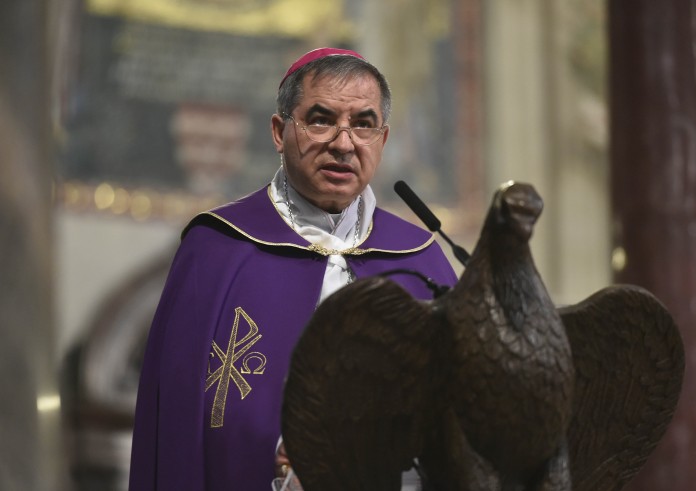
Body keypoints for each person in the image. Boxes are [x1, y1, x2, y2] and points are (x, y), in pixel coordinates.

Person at [128, 47, 458, 491]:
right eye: (321, 120)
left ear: (382, 140)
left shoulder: (421, 259)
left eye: (363, 124)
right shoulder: (217, 250)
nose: (343, 144)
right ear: (279, 132)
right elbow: (175, 424)